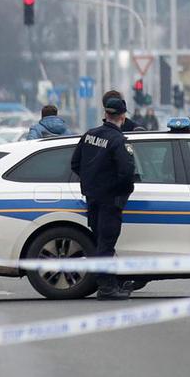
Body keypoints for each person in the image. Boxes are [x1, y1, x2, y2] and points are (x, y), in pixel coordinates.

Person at [70, 96, 137, 300]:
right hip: (110, 201)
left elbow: (75, 164)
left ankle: (110, 283)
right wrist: (121, 191)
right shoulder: (118, 140)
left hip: (92, 198)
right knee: (106, 244)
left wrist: (92, 184)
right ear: (123, 117)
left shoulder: (89, 135)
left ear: (106, 114)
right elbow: (127, 173)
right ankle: (107, 288)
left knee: (100, 241)